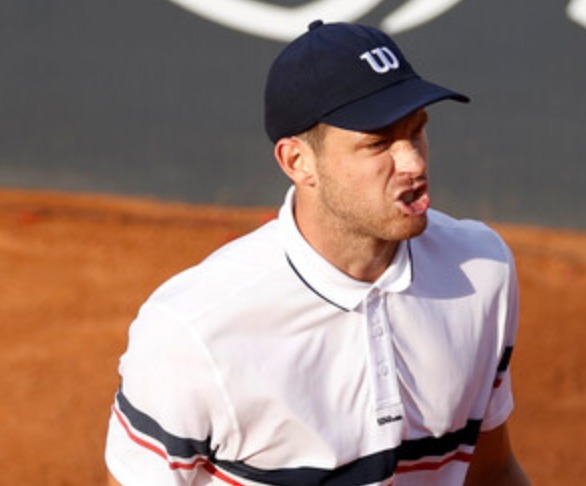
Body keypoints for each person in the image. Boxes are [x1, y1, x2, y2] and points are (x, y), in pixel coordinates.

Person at [104, 20, 529, 486]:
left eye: (417, 131)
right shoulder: (194, 331)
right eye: (378, 143)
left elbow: (490, 473)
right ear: (297, 162)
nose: (413, 162)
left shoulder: (481, 272)